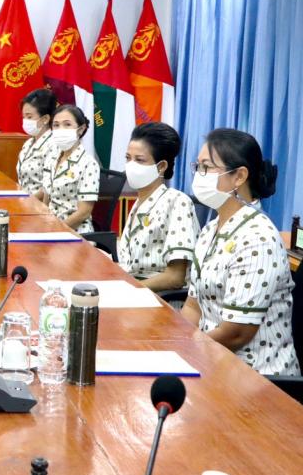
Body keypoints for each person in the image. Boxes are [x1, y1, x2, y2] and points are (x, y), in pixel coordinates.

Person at [182, 129, 299, 376]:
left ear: (239, 176)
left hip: (256, 376)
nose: (199, 175)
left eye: (206, 167)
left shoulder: (258, 237)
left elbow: (236, 332)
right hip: (209, 357)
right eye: (198, 167)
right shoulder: (211, 228)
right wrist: (178, 344)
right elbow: (193, 306)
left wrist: (188, 350)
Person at [117, 122, 199, 291]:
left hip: (160, 298)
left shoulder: (177, 202)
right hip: (134, 289)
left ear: (161, 166)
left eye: (139, 160)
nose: (131, 165)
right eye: (128, 158)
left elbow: (175, 278)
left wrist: (129, 291)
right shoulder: (140, 202)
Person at [38, 104, 99, 234]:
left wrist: (56, 231)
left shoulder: (88, 164)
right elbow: (46, 197)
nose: (61, 129)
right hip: (50, 227)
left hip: (75, 232)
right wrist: (42, 224)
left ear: (80, 129)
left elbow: (84, 212)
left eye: (67, 124)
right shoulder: (52, 158)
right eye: (56, 125)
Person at [16, 88, 58, 196]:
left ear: (45, 119)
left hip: (38, 203)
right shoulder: (28, 143)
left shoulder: (54, 145)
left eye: (29, 117)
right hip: (23, 200)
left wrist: (28, 201)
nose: (25, 121)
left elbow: (49, 186)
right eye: (24, 117)